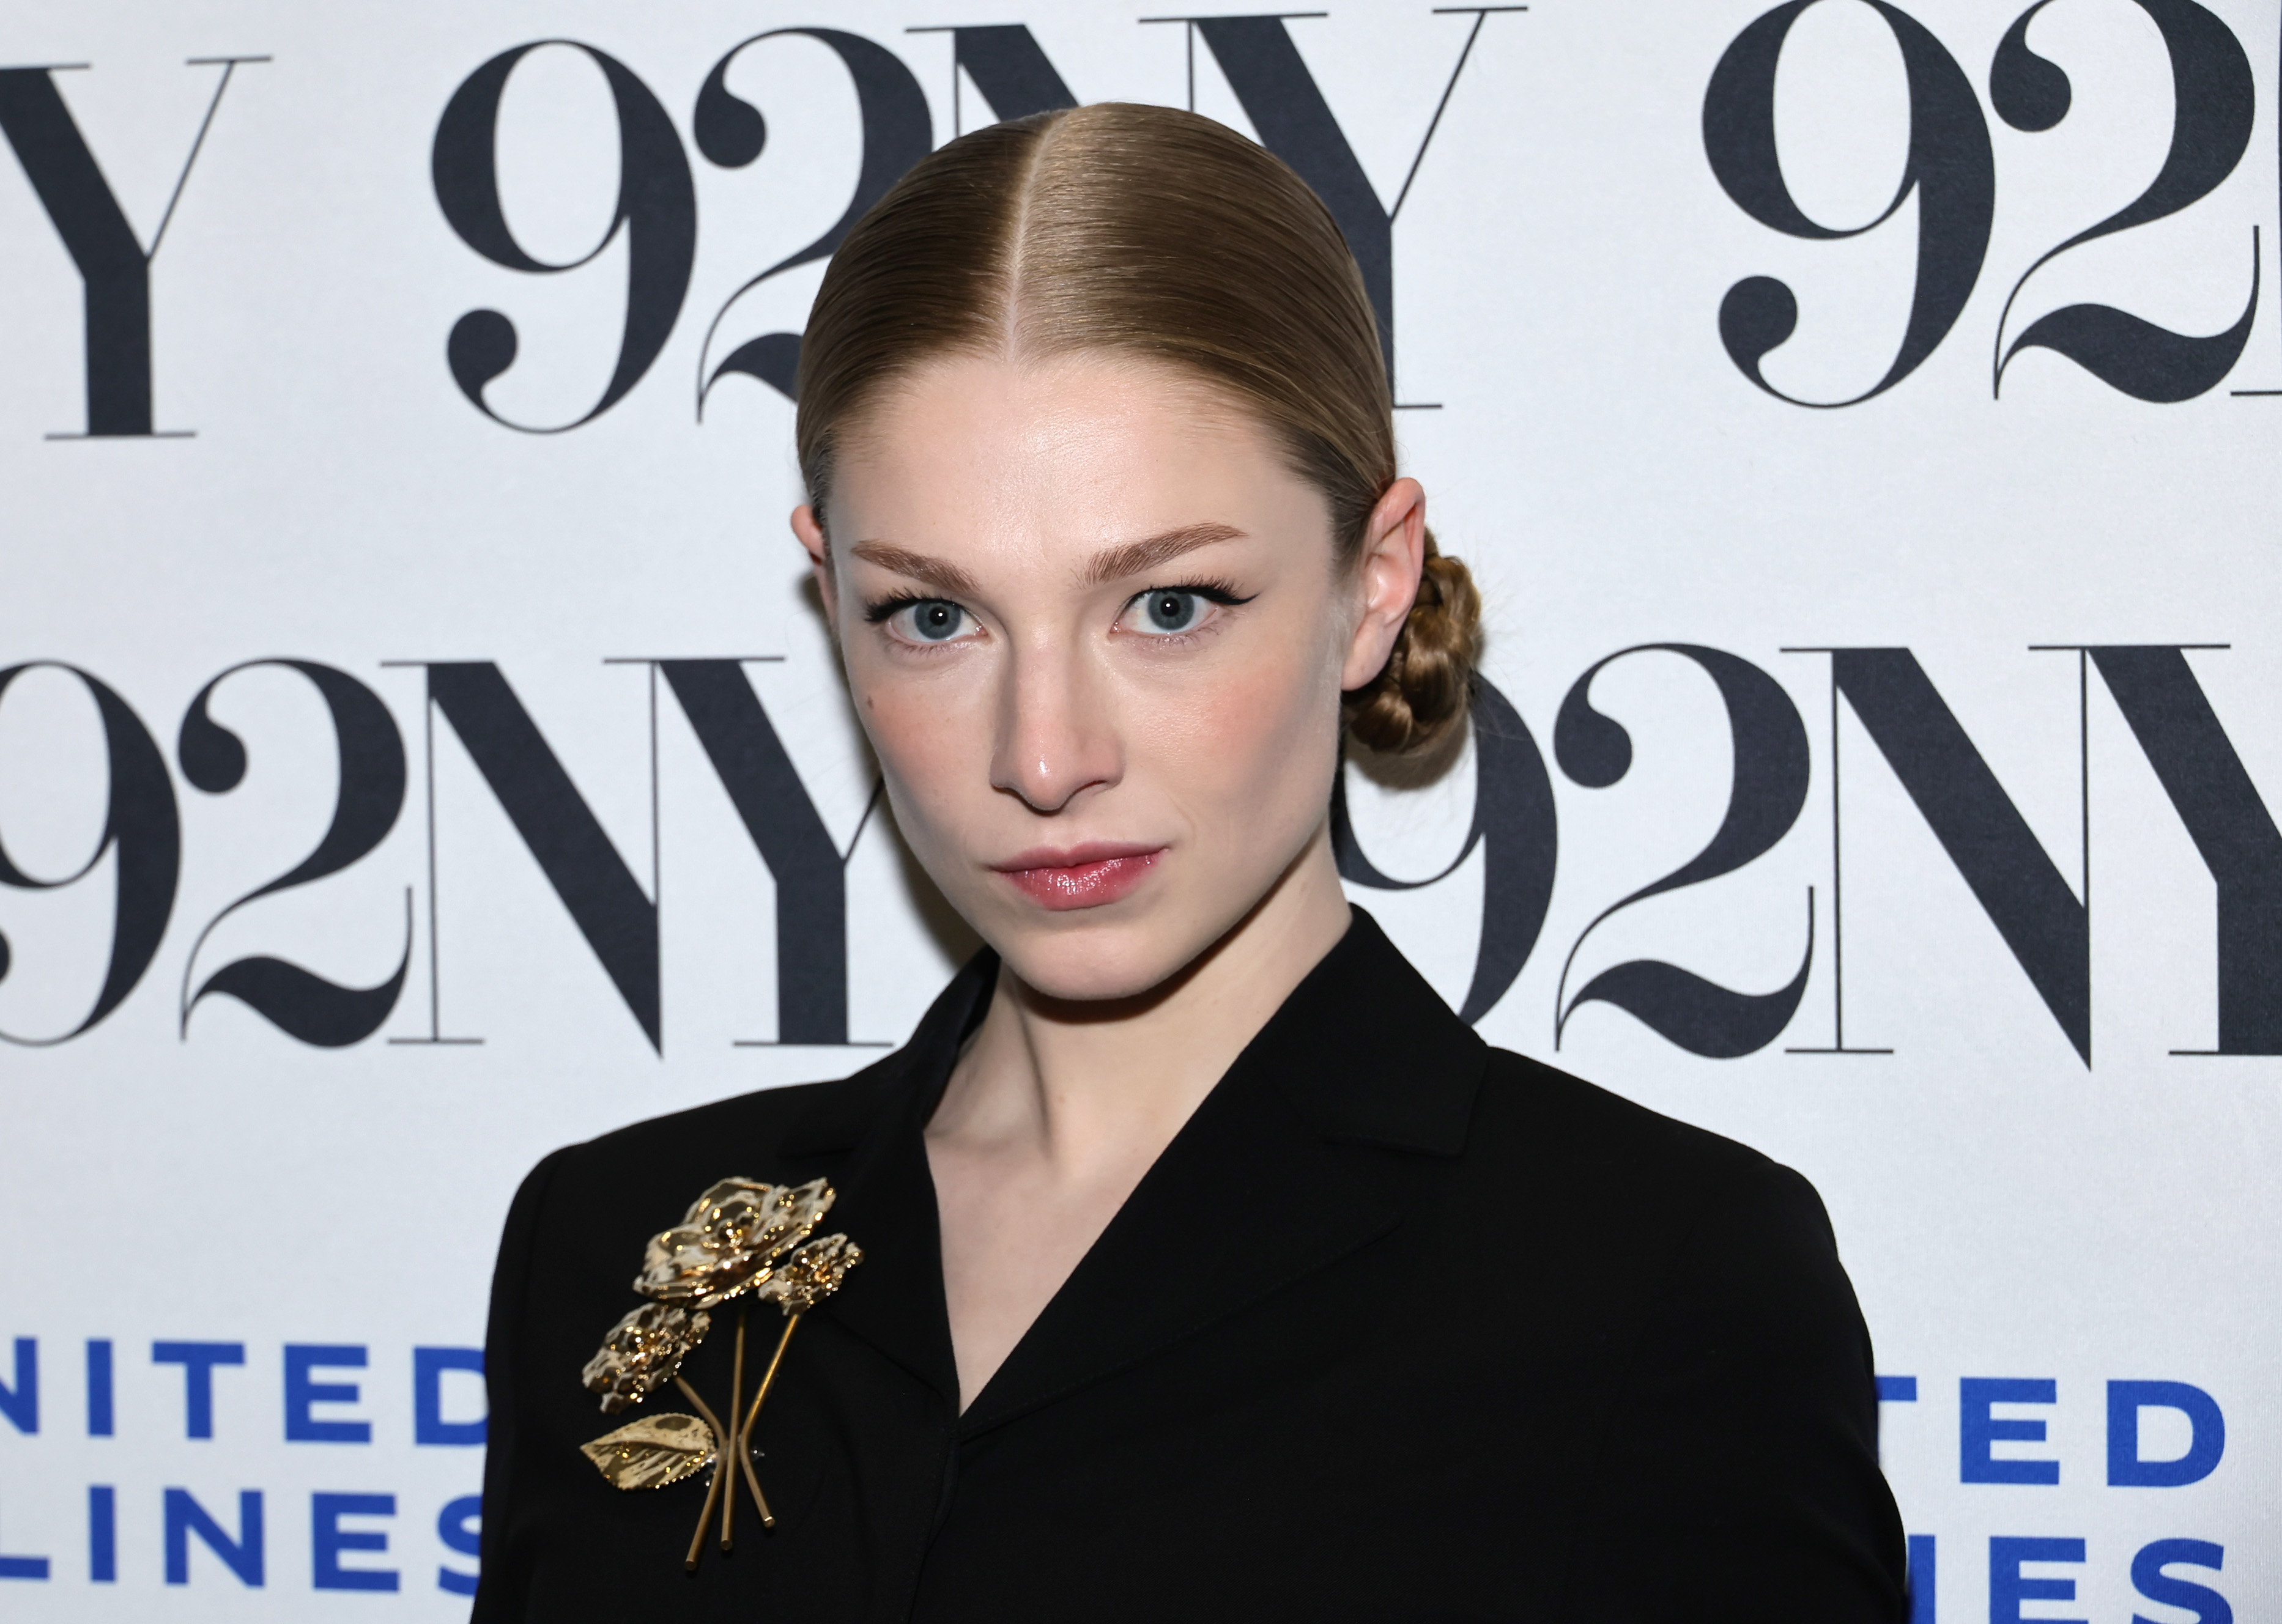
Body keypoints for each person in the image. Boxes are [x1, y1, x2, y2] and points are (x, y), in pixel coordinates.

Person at [473, 103, 1906, 1623]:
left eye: (1169, 606)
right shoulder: (617, 1242)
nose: (1045, 756)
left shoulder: (1655, 1285)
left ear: (1373, 585)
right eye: (935, 616)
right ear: (834, 598)